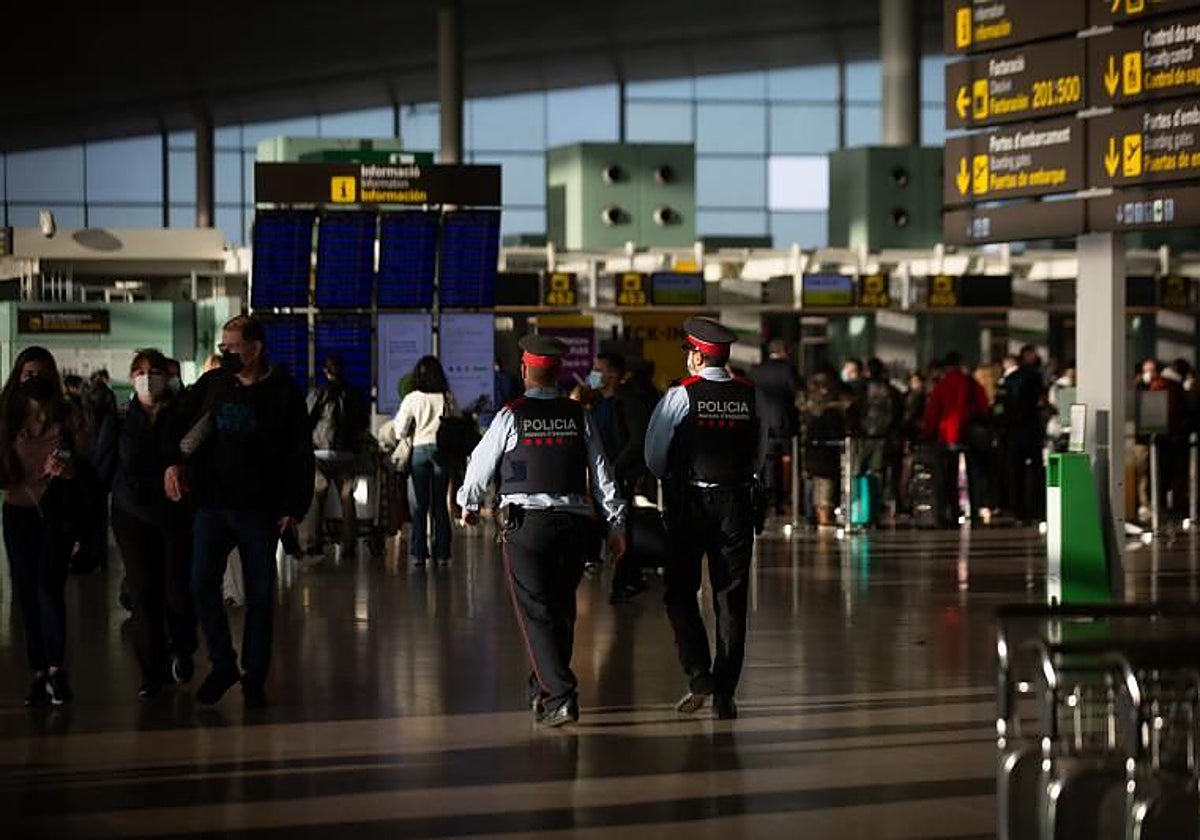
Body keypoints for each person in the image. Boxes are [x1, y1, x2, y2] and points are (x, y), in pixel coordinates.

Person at [457, 335, 626, 727]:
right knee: (561, 612)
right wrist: (616, 523)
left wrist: (468, 504)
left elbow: (480, 466)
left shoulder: (511, 414)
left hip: (527, 527)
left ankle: (562, 695)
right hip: (574, 526)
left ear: (524, 371)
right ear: (556, 374)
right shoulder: (578, 415)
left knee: (535, 611)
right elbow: (603, 475)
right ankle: (542, 687)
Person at [165, 315, 313, 707]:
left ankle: (254, 676)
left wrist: (293, 506)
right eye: (222, 348)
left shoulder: (283, 393)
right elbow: (182, 423)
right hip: (213, 503)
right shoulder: (214, 385)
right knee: (200, 583)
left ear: (256, 347)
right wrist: (173, 461)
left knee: (260, 595)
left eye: (232, 347)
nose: (225, 354)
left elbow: (299, 452)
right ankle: (222, 663)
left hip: (259, 509)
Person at [644, 317, 765, 720]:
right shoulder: (750, 395)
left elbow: (654, 453)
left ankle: (699, 673)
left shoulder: (682, 395)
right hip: (737, 504)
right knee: (730, 598)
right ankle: (725, 693)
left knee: (680, 590)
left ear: (697, 354)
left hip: (690, 503)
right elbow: (759, 452)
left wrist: (673, 480)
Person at [103, 349, 197, 698]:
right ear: (131, 378)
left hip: (173, 512)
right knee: (143, 593)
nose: (147, 377)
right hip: (131, 513)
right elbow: (104, 462)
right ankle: (152, 673)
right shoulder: (120, 417)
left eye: (153, 370)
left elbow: (195, 455)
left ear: (167, 376)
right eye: (139, 371)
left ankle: (183, 649)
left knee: (177, 591)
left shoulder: (182, 414)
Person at [0, 347, 88, 705]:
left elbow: (83, 452)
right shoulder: (6, 417)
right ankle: (38, 672)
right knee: (26, 594)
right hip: (18, 512)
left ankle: (56, 670)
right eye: (27, 374)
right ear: (18, 377)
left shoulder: (66, 417)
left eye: (40, 374)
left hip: (57, 512)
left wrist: (65, 465)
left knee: (49, 589)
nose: (33, 380)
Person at [587, 351, 652, 604]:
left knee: (621, 523)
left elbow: (637, 440)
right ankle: (629, 577)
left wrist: (616, 467)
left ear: (612, 374)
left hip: (619, 474)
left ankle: (625, 580)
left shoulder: (627, 401)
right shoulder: (600, 403)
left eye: (598, 369)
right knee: (611, 525)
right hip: (603, 474)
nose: (593, 374)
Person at [393, 356, 457, 568]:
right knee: (439, 504)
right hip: (441, 451)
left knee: (419, 505)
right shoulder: (447, 397)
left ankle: (419, 553)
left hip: (419, 451)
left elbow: (399, 430)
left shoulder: (412, 398)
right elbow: (455, 421)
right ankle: (442, 553)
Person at [302, 354, 369, 556]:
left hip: (320, 452)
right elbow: (362, 423)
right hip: (346, 453)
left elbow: (307, 419)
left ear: (326, 371)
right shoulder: (354, 393)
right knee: (347, 498)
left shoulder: (318, 392)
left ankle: (313, 542)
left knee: (316, 496)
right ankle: (349, 545)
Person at [922, 351, 989, 527]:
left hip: (947, 435)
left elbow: (933, 411)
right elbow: (983, 405)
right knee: (973, 475)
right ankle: (974, 512)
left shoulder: (943, 385)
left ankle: (951, 512)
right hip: (970, 435)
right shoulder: (970, 383)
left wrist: (929, 431)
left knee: (948, 477)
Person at [749, 339, 802, 517]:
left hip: (763, 425)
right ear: (785, 351)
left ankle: (767, 500)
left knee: (768, 464)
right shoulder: (788, 369)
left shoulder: (756, 371)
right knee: (793, 464)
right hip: (786, 424)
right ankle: (786, 502)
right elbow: (798, 393)